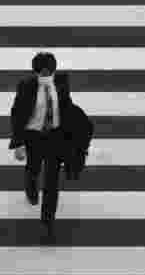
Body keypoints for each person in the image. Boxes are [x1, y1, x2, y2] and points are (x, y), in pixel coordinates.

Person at [8, 52, 94, 241]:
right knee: (33, 168)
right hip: (33, 136)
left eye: (49, 71)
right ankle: (30, 186)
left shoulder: (62, 83)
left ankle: (47, 223)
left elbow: (66, 107)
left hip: (55, 137)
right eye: (42, 72)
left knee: (51, 182)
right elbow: (18, 113)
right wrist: (18, 143)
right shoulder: (27, 87)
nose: (45, 75)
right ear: (36, 71)